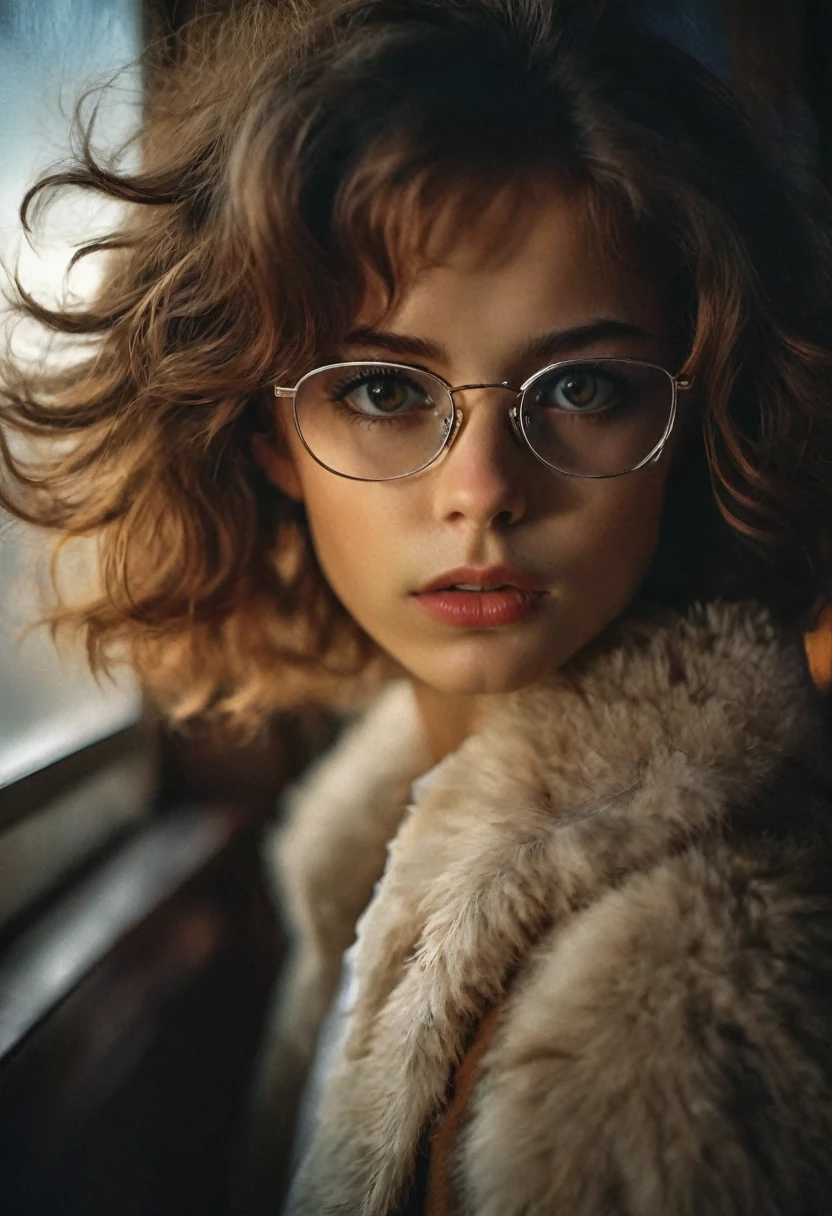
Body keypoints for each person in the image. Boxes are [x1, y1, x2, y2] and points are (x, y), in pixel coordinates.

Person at [4, 1, 832, 1212]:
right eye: (387, 387)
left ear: (694, 418)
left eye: (583, 385)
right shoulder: (381, 828)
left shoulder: (686, 1008)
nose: (483, 492)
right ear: (266, 429)